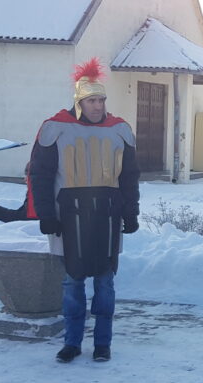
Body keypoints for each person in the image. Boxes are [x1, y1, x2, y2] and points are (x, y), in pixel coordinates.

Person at [29, 58, 140, 363]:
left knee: (105, 282)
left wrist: (131, 212)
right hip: (68, 217)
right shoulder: (55, 128)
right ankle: (72, 342)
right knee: (72, 282)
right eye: (91, 101)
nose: (97, 106)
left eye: (101, 100)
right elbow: (41, 175)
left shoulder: (119, 130)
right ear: (79, 102)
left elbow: (129, 176)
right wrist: (46, 214)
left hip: (107, 216)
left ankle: (102, 343)